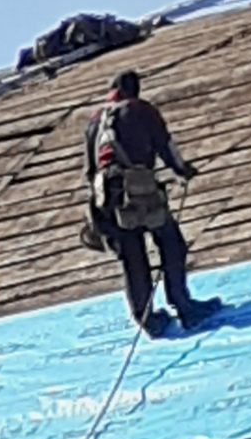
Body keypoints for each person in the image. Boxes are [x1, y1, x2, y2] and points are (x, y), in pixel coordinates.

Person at [85, 71, 221, 336]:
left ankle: (147, 319)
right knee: (171, 242)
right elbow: (164, 145)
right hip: (139, 189)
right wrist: (182, 170)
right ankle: (184, 307)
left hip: (105, 197)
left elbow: (90, 169)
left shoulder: (95, 121)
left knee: (132, 257)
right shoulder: (140, 109)